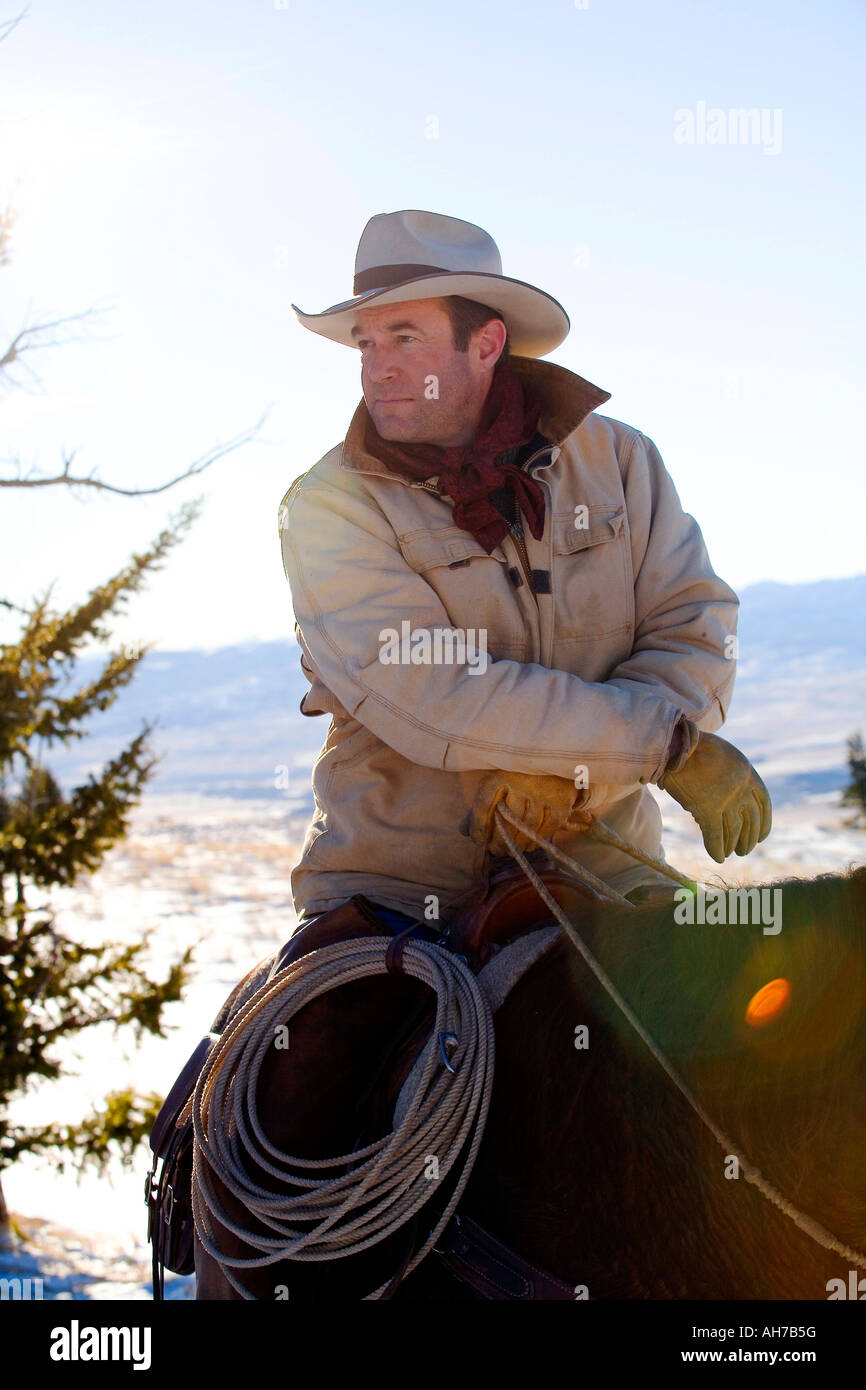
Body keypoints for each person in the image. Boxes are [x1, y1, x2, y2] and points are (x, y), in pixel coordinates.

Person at [278, 208, 771, 933]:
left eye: (405, 338)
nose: (376, 367)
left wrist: (581, 778)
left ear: (487, 344)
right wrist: (661, 748)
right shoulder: (328, 508)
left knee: (745, 1021)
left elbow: (694, 630)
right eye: (366, 342)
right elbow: (432, 691)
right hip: (395, 889)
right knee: (306, 1047)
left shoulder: (619, 463)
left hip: (606, 866)